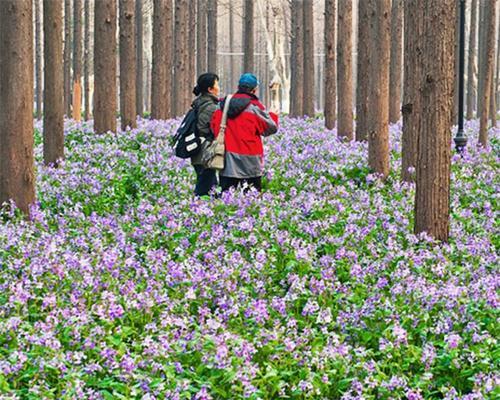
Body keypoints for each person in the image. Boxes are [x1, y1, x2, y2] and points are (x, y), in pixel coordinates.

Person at [210, 73, 278, 192]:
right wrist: (273, 114)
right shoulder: (255, 107)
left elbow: (213, 126)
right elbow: (271, 128)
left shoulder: (223, 104)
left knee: (227, 198)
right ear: (254, 90)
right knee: (252, 200)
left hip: (228, 161)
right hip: (251, 162)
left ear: (239, 86)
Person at [191, 73, 220, 196]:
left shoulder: (200, 103)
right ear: (210, 89)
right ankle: (197, 210)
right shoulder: (210, 107)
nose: (219, 87)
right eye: (217, 84)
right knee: (205, 188)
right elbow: (203, 129)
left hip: (200, 151)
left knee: (209, 184)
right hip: (205, 152)